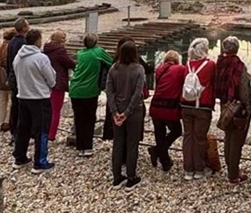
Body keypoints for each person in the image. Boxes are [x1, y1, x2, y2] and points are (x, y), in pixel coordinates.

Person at [12, 28, 56, 173]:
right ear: (38, 40)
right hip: (39, 97)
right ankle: (40, 162)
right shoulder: (41, 58)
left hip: (23, 96)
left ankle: (19, 157)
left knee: (23, 128)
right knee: (41, 130)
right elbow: (51, 78)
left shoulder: (19, 56)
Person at [106, 39, 146, 189]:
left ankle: (116, 176)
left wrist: (114, 111)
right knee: (132, 144)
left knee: (118, 143)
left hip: (117, 108)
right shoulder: (139, 69)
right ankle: (131, 176)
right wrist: (127, 112)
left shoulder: (113, 69)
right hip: (133, 111)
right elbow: (137, 93)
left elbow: (109, 91)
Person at [68, 33, 113, 157]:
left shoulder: (80, 53)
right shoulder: (99, 52)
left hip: (75, 89)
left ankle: (80, 146)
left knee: (79, 118)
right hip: (90, 90)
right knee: (89, 118)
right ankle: (87, 147)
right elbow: (112, 62)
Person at [215, 36, 251, 184]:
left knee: (228, 137)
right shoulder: (239, 65)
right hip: (238, 107)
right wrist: (248, 108)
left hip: (225, 104)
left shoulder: (219, 62)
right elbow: (244, 91)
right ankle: (233, 174)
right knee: (237, 140)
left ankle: (230, 168)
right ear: (236, 48)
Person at [181, 37, 216, 180]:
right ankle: (199, 169)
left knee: (188, 136)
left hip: (185, 104)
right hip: (202, 106)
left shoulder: (188, 64)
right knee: (200, 138)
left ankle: (188, 169)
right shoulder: (210, 65)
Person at [148, 50, 187, 172]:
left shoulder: (159, 69)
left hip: (155, 106)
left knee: (159, 133)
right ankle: (157, 151)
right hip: (170, 107)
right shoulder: (180, 69)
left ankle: (165, 162)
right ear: (177, 60)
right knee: (176, 130)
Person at [44, 31, 76, 142]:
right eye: (63, 38)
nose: (65, 40)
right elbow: (70, 63)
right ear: (58, 39)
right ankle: (51, 134)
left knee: (47, 109)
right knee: (56, 110)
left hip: (47, 82)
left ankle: (45, 131)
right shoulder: (60, 50)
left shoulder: (46, 49)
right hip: (58, 82)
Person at [6, 18, 30, 135]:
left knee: (15, 105)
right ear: (24, 27)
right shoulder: (23, 43)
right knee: (21, 106)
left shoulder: (12, 41)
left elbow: (8, 60)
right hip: (20, 77)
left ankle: (14, 129)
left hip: (12, 76)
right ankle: (19, 131)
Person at [0, 29, 16, 132]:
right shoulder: (11, 47)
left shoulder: (0, 45)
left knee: (2, 100)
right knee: (12, 99)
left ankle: (1, 121)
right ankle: (7, 122)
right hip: (6, 73)